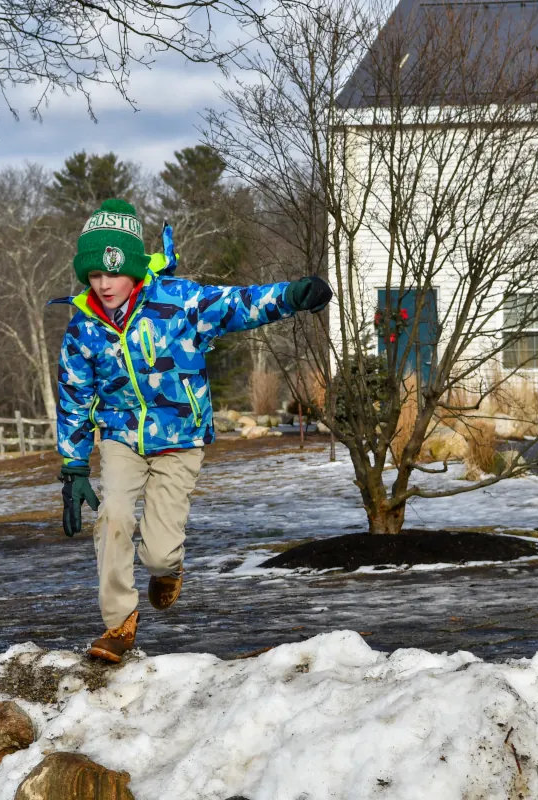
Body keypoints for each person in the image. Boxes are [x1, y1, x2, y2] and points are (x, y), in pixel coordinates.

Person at [53, 198, 332, 663]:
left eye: (113, 274)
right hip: (121, 438)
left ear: (137, 268)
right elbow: (74, 397)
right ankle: (118, 624)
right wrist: (73, 464)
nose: (103, 285)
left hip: (179, 441)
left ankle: (169, 570)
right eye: (94, 276)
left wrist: (289, 297)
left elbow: (237, 305)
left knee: (159, 555)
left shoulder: (177, 302)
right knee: (114, 517)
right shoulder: (83, 329)